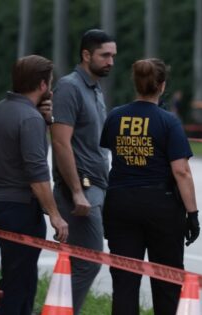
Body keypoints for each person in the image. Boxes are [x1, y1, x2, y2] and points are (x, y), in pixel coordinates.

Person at [100, 58, 200, 315]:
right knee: (167, 280)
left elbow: (111, 152)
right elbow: (181, 171)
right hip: (160, 207)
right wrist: (192, 214)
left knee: (124, 281)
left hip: (120, 203)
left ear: (135, 83)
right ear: (162, 86)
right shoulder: (169, 121)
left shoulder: (115, 117)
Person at [0, 55, 68, 315]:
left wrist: (43, 119)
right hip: (22, 207)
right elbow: (37, 174)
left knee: (15, 277)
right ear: (43, 85)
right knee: (20, 285)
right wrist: (55, 215)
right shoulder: (29, 118)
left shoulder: (1, 108)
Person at [51, 29, 117, 314]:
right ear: (86, 55)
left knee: (79, 261)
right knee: (88, 262)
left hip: (98, 186)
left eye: (113, 55)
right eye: (105, 55)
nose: (111, 61)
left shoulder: (94, 87)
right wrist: (77, 192)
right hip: (81, 189)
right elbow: (60, 142)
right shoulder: (69, 87)